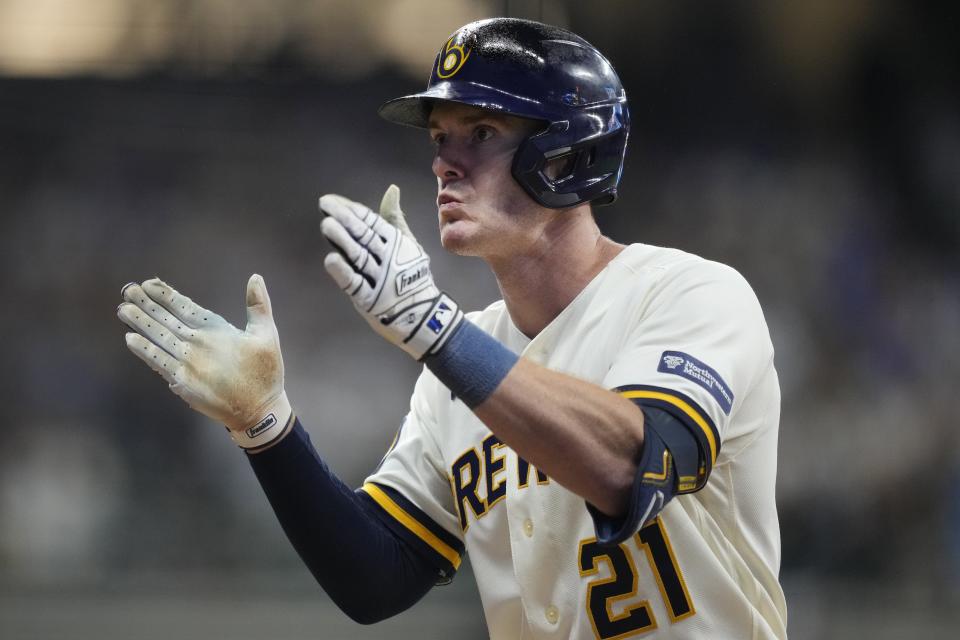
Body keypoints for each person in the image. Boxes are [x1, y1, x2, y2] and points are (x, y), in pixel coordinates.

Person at [118, 18, 787, 639]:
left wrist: (433, 330)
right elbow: (376, 577)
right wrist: (265, 427)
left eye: (483, 134)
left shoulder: (690, 295)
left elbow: (628, 467)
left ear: (567, 152)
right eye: (440, 138)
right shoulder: (458, 363)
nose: (444, 162)